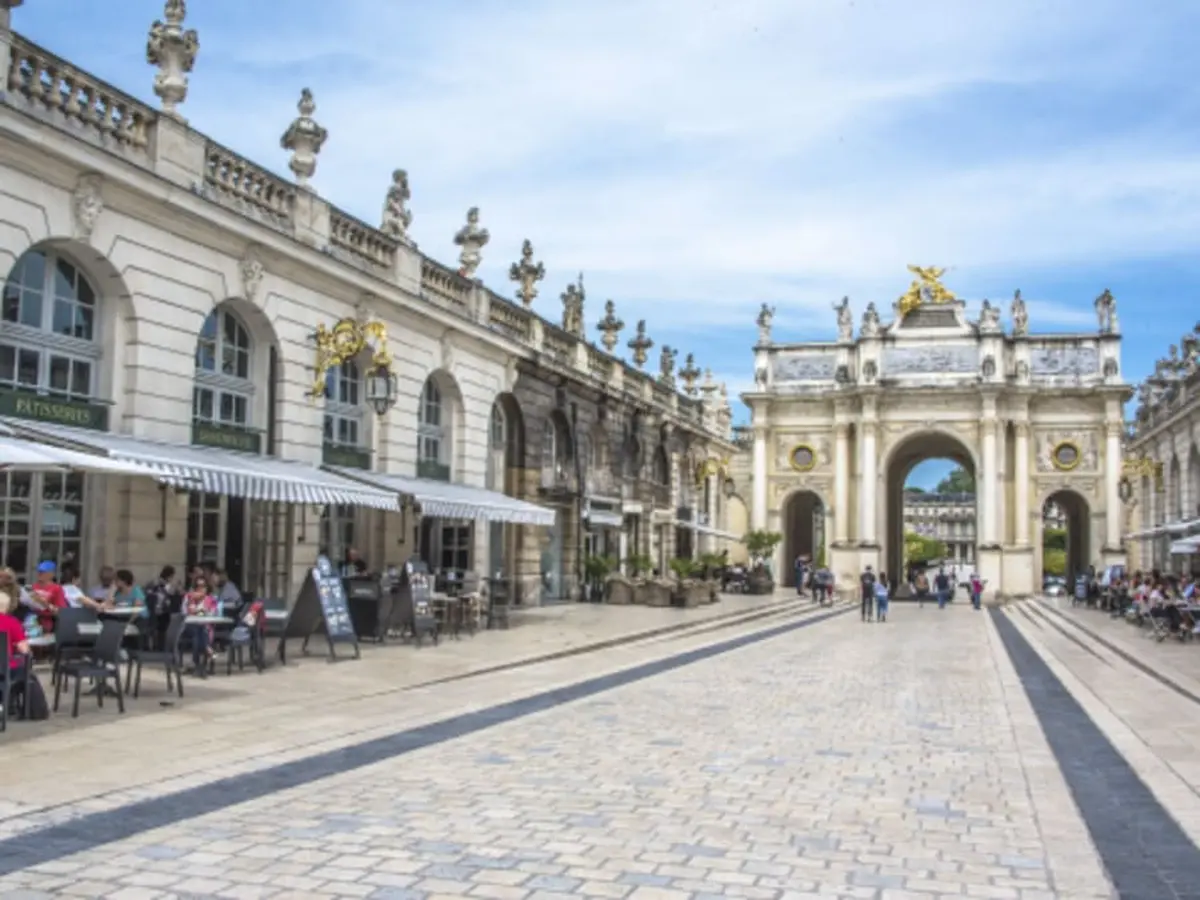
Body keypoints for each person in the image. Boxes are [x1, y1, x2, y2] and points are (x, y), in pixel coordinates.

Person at [181, 573, 218, 677]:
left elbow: (214, 613)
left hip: (206, 627)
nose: (200, 589)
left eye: (203, 586)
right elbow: (183, 613)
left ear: (207, 587)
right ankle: (206, 660)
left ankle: (197, 664)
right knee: (199, 631)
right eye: (198, 586)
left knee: (200, 632)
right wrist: (192, 608)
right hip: (189, 626)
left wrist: (205, 611)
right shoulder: (188, 597)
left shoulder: (211, 599)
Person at [28, 561, 68, 634]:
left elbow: (61, 611)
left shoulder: (56, 588)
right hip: (32, 620)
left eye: (43, 572)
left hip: (48, 622)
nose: (40, 574)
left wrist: (45, 604)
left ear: (51, 574)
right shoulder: (33, 587)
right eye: (39, 571)